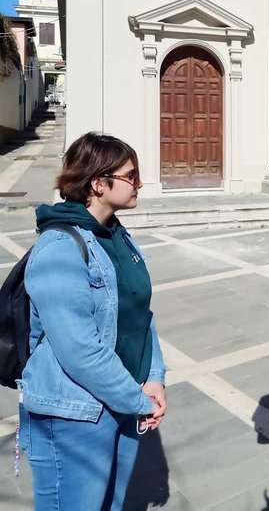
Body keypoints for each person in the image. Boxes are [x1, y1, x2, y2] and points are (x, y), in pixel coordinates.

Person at [19, 132, 167, 511]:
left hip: (122, 402)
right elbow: (79, 349)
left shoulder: (117, 236)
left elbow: (140, 314)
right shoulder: (59, 247)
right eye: (130, 176)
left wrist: (154, 377)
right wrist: (137, 399)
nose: (139, 183)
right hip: (75, 415)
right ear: (99, 184)